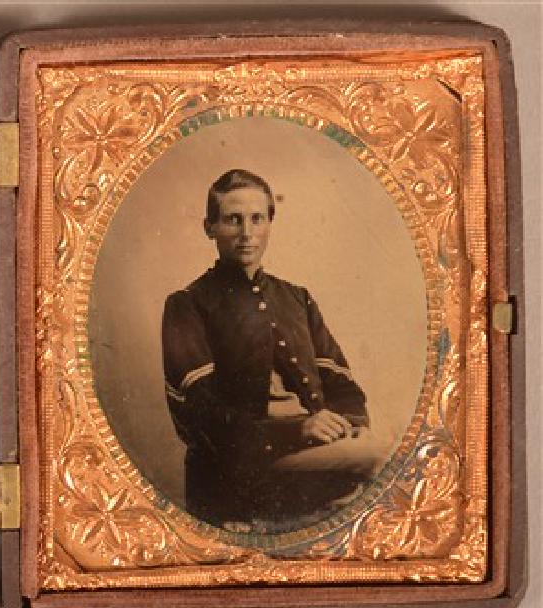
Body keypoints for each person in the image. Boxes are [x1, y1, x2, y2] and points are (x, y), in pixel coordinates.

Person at [161, 169, 391, 532]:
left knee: (380, 445)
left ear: (270, 222)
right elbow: (200, 415)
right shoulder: (187, 304)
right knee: (384, 457)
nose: (247, 233)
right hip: (238, 469)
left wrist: (350, 425)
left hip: (313, 455)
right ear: (210, 227)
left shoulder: (297, 298)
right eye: (233, 220)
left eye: (257, 219)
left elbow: (341, 384)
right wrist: (299, 430)